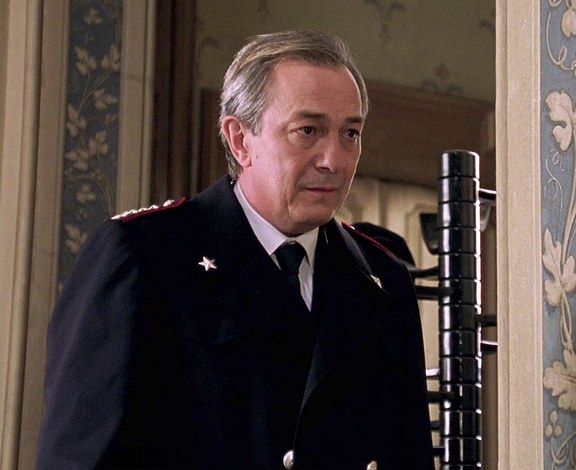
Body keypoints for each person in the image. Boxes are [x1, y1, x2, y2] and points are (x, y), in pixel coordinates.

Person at [37, 30, 434, 469]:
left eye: (350, 133)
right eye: (308, 131)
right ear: (240, 139)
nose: (334, 160)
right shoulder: (144, 257)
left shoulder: (383, 278)